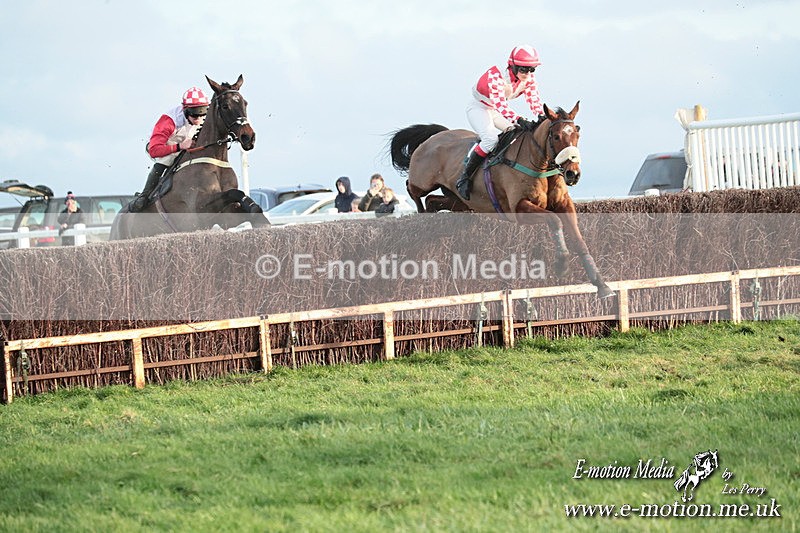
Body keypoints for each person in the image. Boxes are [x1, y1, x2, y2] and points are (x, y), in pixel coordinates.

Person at [456, 45, 545, 200]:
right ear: (513, 66)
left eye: (532, 70)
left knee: (517, 132)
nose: (528, 74)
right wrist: (519, 119)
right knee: (491, 138)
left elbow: (534, 100)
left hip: (495, 110)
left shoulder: (528, 79)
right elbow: (501, 106)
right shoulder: (496, 78)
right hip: (479, 108)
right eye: (524, 69)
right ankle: (464, 177)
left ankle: (500, 166)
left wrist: (542, 117)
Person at [130, 86, 210, 212]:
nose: (199, 119)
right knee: (168, 159)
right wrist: (179, 146)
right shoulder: (168, 121)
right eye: (195, 115)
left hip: (185, 141)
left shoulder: (202, 117)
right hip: (161, 144)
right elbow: (154, 150)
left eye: (203, 113)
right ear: (185, 110)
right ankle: (144, 196)